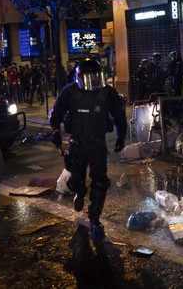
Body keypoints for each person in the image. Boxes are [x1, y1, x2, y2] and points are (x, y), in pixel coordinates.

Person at [49, 58, 127, 242]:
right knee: (75, 181)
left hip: (97, 144)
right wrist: (55, 131)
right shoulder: (70, 92)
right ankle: (80, 190)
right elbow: (56, 113)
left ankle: (94, 219)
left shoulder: (107, 93)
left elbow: (119, 116)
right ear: (79, 77)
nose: (92, 80)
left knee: (100, 181)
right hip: (77, 144)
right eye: (88, 77)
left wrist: (121, 136)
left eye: (95, 76)